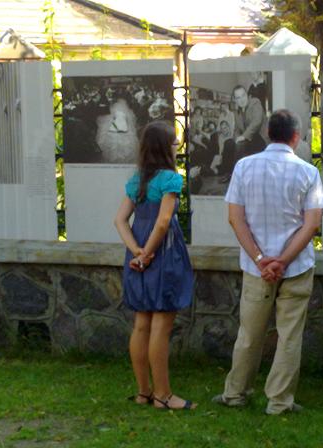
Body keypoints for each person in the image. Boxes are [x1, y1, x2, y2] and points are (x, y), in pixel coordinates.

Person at [212, 109, 323, 415]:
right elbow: (312, 224)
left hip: (256, 268)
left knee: (249, 333)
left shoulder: (243, 167)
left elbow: (235, 219)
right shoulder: (308, 172)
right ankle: (279, 402)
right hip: (296, 265)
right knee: (289, 336)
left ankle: (235, 394)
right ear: (296, 137)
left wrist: (262, 259)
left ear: (266, 134)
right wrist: (284, 260)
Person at [114, 121, 196, 411]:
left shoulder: (137, 181)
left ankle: (143, 392)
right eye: (174, 143)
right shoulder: (170, 179)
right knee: (160, 324)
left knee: (141, 323)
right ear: (164, 147)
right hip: (163, 254)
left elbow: (119, 220)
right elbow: (163, 222)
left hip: (137, 253)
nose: (177, 147)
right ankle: (163, 395)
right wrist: (147, 253)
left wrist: (136, 251)